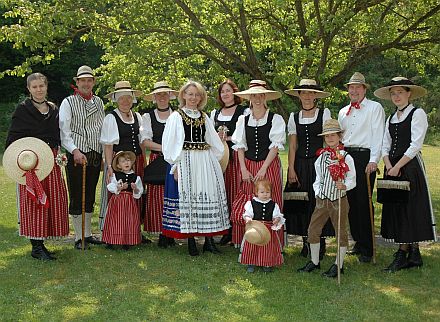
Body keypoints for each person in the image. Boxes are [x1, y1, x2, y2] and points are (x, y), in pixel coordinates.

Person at [373, 77, 437, 272]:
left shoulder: (417, 114)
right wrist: (388, 165)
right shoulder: (391, 117)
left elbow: (415, 145)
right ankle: (413, 253)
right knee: (397, 208)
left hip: (409, 167)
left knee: (411, 208)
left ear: (409, 94)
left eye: (400, 92)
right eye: (393, 93)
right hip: (392, 166)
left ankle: (403, 253)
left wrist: (398, 165)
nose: (396, 96)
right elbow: (385, 143)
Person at [161, 80, 230, 256]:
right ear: (183, 95)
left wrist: (216, 157)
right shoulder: (176, 117)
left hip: (204, 161)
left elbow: (212, 139)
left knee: (206, 196)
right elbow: (169, 143)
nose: (193, 97)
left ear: (201, 98)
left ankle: (208, 241)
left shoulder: (204, 116)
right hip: (186, 160)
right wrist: (174, 165)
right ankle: (191, 240)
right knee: (189, 198)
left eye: (197, 94)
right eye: (190, 94)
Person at [5, 72, 69, 260]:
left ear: (46, 86)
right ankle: (36, 247)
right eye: (35, 87)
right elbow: (13, 138)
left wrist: (60, 152)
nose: (39, 90)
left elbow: (58, 135)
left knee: (52, 199)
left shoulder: (53, 109)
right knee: (35, 202)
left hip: (51, 160)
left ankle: (43, 242)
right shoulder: (23, 110)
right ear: (29, 89)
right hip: (31, 162)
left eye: (42, 86)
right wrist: (25, 157)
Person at [297, 119, 356, 277]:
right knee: (313, 230)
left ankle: (339, 265)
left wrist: (345, 186)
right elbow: (318, 179)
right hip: (322, 200)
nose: (330, 139)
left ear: (339, 136)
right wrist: (318, 192)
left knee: (340, 232)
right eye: (327, 136)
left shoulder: (346, 157)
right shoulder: (321, 158)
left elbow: (352, 179)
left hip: (339, 199)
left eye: (333, 135)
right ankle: (315, 262)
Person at [231, 80, 286, 247]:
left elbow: (275, 146)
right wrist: (243, 169)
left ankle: (272, 243)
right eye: (253, 95)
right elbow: (240, 146)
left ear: (265, 97)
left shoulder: (275, 119)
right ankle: (249, 241)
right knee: (248, 202)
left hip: (268, 165)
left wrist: (263, 168)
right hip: (247, 165)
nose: (257, 99)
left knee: (270, 197)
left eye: (260, 95)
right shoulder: (243, 119)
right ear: (249, 97)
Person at [338, 72, 385, 263]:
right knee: (350, 203)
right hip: (347, 156)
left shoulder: (375, 108)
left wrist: (374, 160)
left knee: (363, 202)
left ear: (364, 89)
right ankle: (357, 241)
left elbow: (378, 135)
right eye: (351, 87)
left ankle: (368, 247)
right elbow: (340, 138)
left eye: (358, 87)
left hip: (364, 156)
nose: (354, 90)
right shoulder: (343, 111)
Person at [284, 79, 333, 259]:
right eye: (303, 93)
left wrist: (328, 166)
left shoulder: (324, 114)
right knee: (301, 203)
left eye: (310, 93)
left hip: (319, 163)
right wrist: (291, 168)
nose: (307, 96)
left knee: (318, 203)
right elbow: (293, 146)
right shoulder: (293, 117)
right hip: (300, 164)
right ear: (299, 96)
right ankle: (306, 241)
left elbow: (328, 141)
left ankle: (319, 242)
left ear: (316, 96)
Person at [59, 65, 105, 250]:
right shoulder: (68, 102)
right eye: (82, 80)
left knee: (90, 194)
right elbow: (64, 130)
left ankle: (88, 234)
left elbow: (101, 129)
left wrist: (101, 153)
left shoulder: (99, 102)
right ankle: (78, 237)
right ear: (77, 82)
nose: (86, 83)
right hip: (76, 153)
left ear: (93, 82)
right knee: (77, 194)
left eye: (89, 80)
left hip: (95, 153)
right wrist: (74, 151)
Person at [99, 81, 148, 242]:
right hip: (118, 161)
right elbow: (108, 145)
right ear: (116, 99)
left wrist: (144, 161)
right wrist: (109, 167)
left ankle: (134, 231)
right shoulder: (111, 118)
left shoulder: (137, 116)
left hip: (136, 160)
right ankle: (113, 232)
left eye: (128, 98)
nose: (125, 101)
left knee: (136, 193)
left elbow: (141, 142)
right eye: (121, 98)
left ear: (132, 99)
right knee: (117, 195)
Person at [210, 79, 248, 245]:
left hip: (237, 157)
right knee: (223, 192)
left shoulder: (244, 111)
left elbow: (244, 135)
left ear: (234, 92)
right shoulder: (215, 113)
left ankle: (236, 229)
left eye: (228, 90)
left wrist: (229, 137)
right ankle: (225, 229)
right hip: (221, 159)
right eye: (222, 91)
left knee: (235, 191)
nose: (225, 94)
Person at [142, 81, 178, 248]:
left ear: (170, 96)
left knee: (172, 195)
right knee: (157, 196)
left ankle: (172, 231)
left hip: (175, 161)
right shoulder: (147, 117)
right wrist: (165, 148)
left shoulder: (177, 115)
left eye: (165, 94)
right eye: (159, 95)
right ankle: (160, 232)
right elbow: (146, 142)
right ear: (155, 98)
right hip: (157, 158)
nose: (162, 97)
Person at [240, 179, 285, 273]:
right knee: (252, 246)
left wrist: (276, 219)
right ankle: (250, 263)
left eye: (267, 192)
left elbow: (277, 215)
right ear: (256, 192)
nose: (265, 194)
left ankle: (266, 263)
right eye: (262, 192)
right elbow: (247, 214)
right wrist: (248, 218)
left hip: (267, 230)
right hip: (255, 228)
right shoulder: (251, 203)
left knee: (267, 248)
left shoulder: (273, 205)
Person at [102, 151, 143, 249]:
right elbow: (110, 186)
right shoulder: (115, 175)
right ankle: (111, 240)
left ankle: (127, 241)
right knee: (115, 220)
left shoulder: (136, 177)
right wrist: (119, 188)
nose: (126, 163)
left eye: (128, 160)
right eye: (123, 161)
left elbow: (139, 191)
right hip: (117, 201)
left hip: (129, 201)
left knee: (128, 220)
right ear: (118, 165)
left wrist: (135, 189)